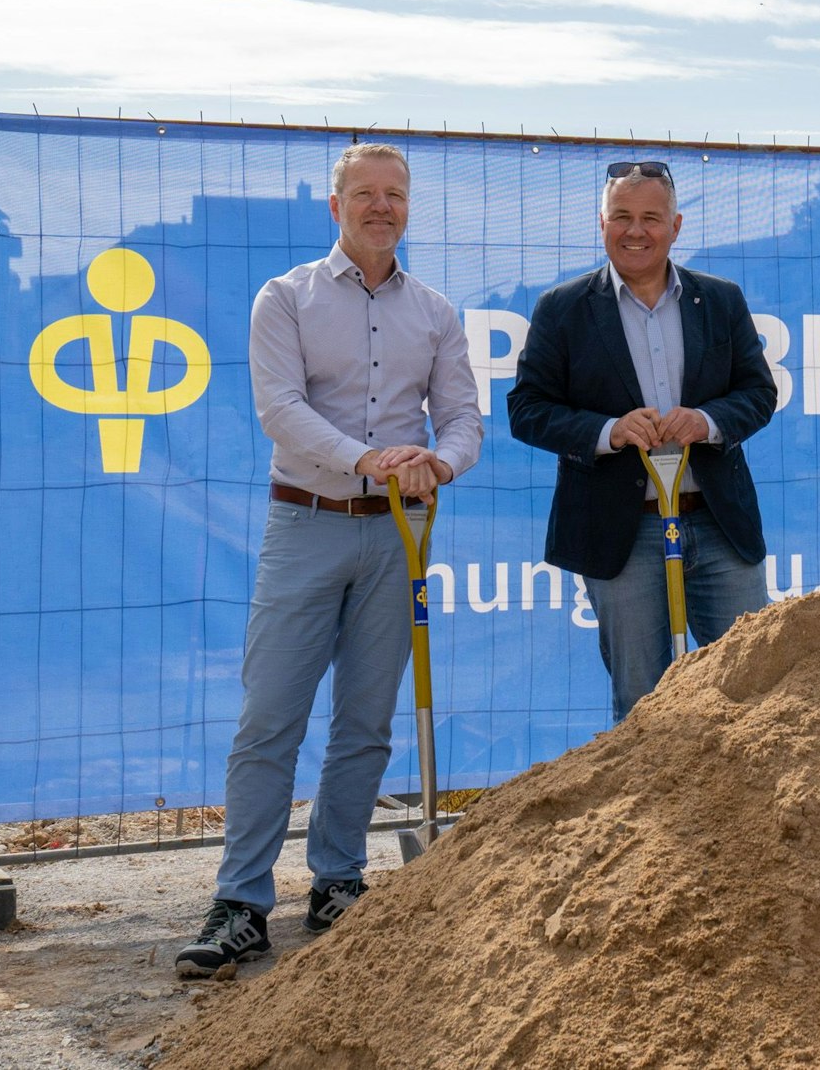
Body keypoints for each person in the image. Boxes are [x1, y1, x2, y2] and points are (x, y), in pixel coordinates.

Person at [177, 143, 483, 977]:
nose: (380, 207)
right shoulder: (286, 298)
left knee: (364, 722)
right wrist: (367, 458)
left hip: (398, 533)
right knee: (269, 716)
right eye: (364, 194)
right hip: (306, 522)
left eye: (395, 195)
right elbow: (278, 409)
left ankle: (338, 884)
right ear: (335, 204)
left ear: (408, 206)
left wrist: (440, 464)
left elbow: (461, 418)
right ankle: (241, 901)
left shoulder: (434, 311)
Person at [508, 161, 776, 718]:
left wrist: (706, 422)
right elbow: (527, 410)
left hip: (720, 525)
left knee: (758, 689)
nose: (636, 230)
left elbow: (758, 392)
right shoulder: (561, 308)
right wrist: (608, 432)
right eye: (622, 217)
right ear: (600, 223)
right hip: (619, 535)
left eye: (651, 217)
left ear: (676, 226)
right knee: (641, 704)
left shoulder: (721, 300)